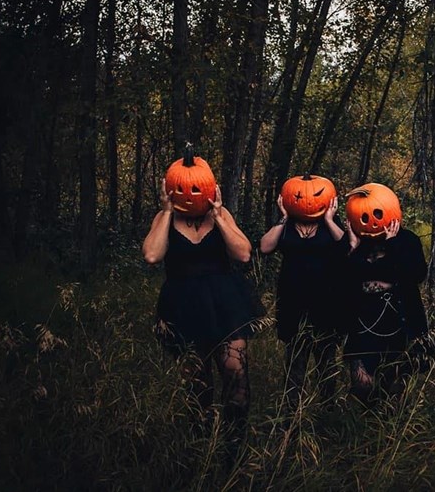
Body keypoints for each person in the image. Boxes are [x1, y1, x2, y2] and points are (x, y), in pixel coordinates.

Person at [142, 176, 262, 463]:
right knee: (197, 381)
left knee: (235, 371)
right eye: (183, 188)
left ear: (209, 188)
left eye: (197, 187)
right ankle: (202, 445)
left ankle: (233, 446)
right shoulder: (164, 217)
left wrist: (219, 215)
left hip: (225, 303)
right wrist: (167, 210)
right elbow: (151, 255)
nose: (190, 193)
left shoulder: (220, 214)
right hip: (183, 306)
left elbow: (243, 254)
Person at [259, 194, 346, 411]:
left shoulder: (331, 224)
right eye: (299, 195)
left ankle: (327, 410)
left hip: (326, 302)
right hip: (293, 303)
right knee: (295, 362)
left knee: (326, 360)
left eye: (316, 194)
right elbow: (265, 247)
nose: (307, 199)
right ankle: (291, 413)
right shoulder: (286, 225)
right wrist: (284, 217)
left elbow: (347, 247)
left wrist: (328, 219)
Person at [343, 213, 429, 405]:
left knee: (394, 389)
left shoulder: (407, 240)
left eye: (378, 213)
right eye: (364, 214)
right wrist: (353, 247)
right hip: (364, 322)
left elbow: (416, 274)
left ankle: (390, 432)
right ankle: (361, 428)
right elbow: (343, 280)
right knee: (362, 386)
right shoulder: (356, 240)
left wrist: (392, 244)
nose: (372, 217)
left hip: (398, 321)